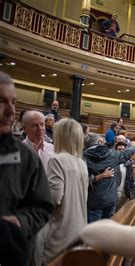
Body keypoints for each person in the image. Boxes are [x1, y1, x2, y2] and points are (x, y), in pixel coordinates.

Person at [0, 72, 54, 261]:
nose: (10, 112)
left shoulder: (26, 157)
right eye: (1, 102)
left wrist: (19, 222)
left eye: (13, 102)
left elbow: (42, 206)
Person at [34, 119, 88, 264]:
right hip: (78, 231)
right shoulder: (82, 163)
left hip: (59, 234)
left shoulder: (57, 160)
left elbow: (53, 199)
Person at [83, 133, 135, 223]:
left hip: (93, 201)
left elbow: (83, 179)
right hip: (109, 200)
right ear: (100, 141)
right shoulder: (111, 154)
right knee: (106, 231)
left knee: (93, 231)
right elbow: (127, 153)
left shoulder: (83, 157)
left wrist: (97, 177)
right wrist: (133, 145)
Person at [115, 142, 135, 209]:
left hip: (125, 194)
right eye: (119, 149)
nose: (121, 151)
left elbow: (131, 179)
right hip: (114, 194)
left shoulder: (129, 164)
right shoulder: (112, 162)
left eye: (123, 150)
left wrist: (131, 193)